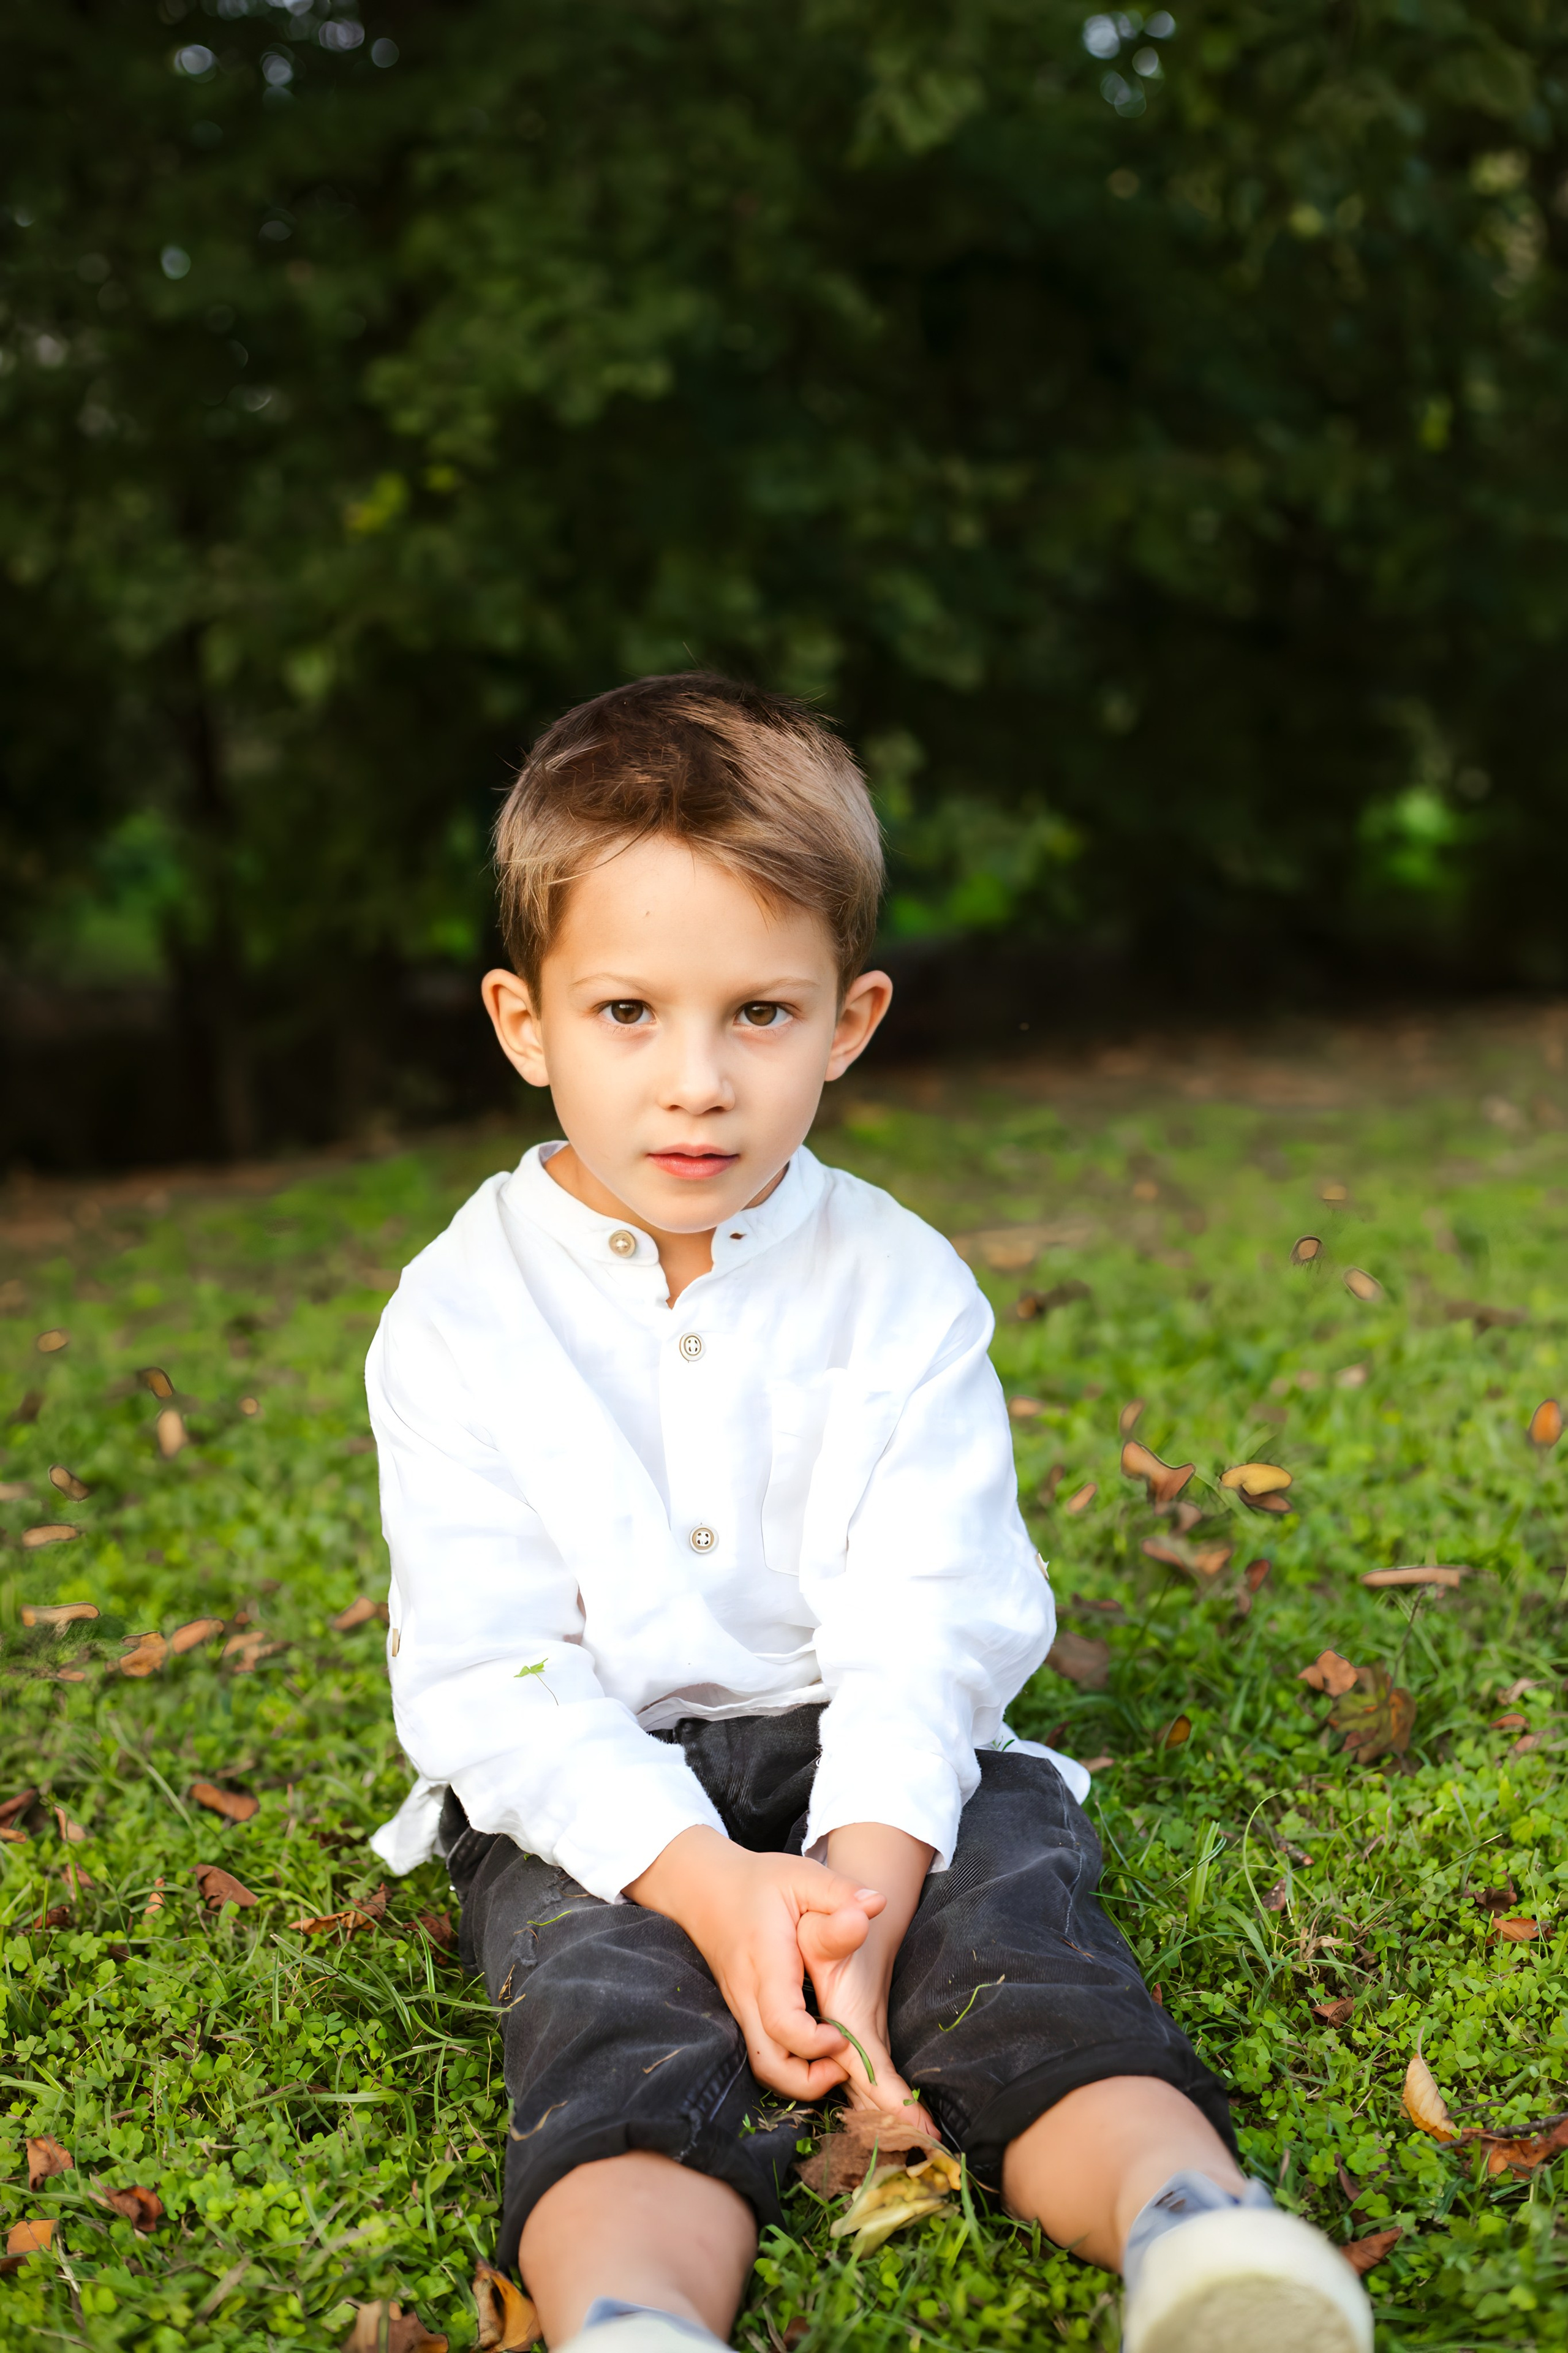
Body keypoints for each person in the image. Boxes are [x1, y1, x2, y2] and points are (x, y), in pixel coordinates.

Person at [366, 674, 1371, 2353]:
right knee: (615, 2028)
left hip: (874, 1746)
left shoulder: (899, 1283)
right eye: (628, 1012)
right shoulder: (456, 1311)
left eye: (759, 1012)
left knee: (1024, 1947)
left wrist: (868, 1871)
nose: (695, 1081)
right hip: (598, 1790)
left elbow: (933, 1610)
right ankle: (632, 2315)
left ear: (850, 1018)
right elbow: (491, 1675)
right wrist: (703, 1880)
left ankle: (1195, 2228)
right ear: (522, 1018)